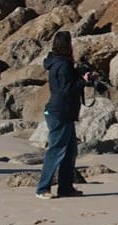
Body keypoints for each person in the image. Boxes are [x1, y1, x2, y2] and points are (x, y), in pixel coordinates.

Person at [35, 31, 97, 199]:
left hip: (63, 112)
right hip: (60, 112)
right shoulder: (63, 65)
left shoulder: (58, 63)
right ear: (67, 46)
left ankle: (65, 188)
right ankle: (42, 189)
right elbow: (66, 90)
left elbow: (66, 86)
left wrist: (82, 79)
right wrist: (83, 81)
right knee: (56, 150)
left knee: (70, 152)